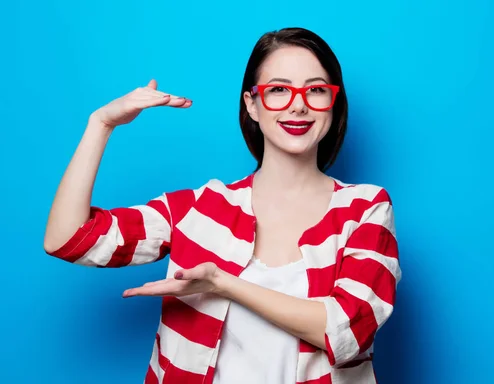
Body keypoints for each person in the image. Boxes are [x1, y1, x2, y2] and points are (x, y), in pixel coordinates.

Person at [43, 27, 402, 384]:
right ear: (252, 105)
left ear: (333, 102)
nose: (298, 104)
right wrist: (101, 124)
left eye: (316, 90)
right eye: (278, 89)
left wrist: (224, 285)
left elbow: (347, 331)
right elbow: (68, 239)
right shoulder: (200, 208)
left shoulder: (365, 208)